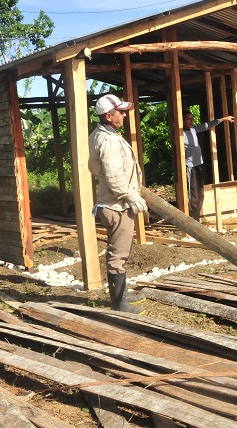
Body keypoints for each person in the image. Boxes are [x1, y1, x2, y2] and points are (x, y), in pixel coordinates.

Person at [88, 94, 147, 314]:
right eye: (120, 112)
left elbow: (96, 170)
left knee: (119, 250)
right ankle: (119, 304)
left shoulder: (99, 135)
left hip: (110, 202)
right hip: (117, 205)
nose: (124, 114)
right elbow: (114, 176)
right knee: (118, 253)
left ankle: (122, 295)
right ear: (109, 115)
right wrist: (132, 196)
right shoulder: (109, 140)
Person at [183, 110, 234, 221]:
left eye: (192, 118)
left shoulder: (193, 130)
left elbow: (207, 125)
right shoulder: (180, 133)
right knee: (193, 192)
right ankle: (193, 219)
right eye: (189, 119)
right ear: (182, 120)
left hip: (199, 165)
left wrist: (224, 119)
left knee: (199, 190)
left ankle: (196, 217)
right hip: (190, 167)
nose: (191, 121)